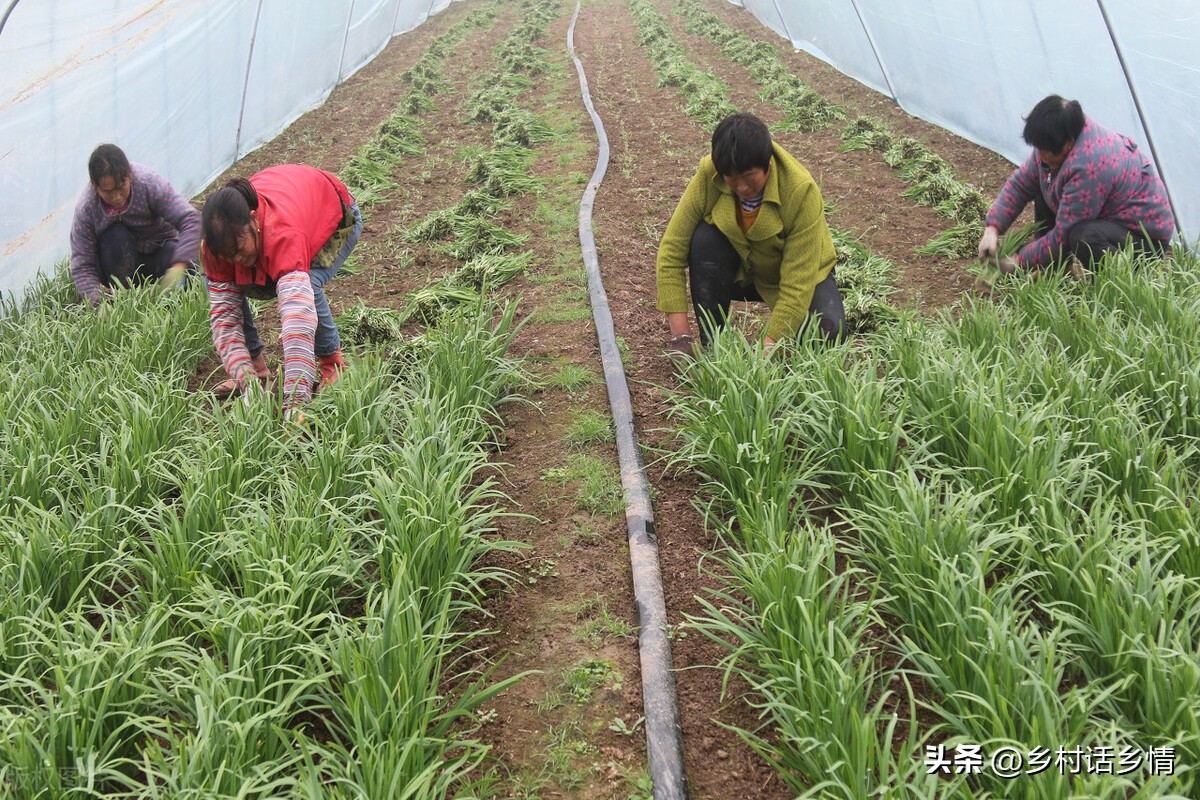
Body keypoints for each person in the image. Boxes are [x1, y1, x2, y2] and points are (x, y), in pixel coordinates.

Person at [656, 111, 845, 358]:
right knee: (705, 240)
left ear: (767, 164)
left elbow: (797, 283)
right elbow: (671, 251)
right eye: (732, 180)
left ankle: (792, 352)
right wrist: (680, 337)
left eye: (749, 177)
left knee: (829, 331)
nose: (742, 188)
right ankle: (713, 345)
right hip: (743, 271)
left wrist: (767, 351)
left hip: (796, 275)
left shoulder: (800, 190)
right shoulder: (710, 174)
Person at [200, 164, 361, 417]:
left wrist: (295, 402)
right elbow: (225, 319)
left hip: (336, 213)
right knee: (229, 288)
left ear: (254, 220)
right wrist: (245, 379)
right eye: (228, 255)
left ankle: (333, 364)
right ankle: (257, 372)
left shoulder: (284, 236)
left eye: (240, 248)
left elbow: (298, 323)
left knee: (308, 282)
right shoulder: (214, 247)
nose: (237, 259)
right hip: (291, 202)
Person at [978, 94, 1174, 274]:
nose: (1042, 157)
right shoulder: (1059, 135)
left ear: (1069, 143)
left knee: (1083, 236)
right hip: (1111, 221)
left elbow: (1062, 237)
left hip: (1143, 239)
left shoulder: (1091, 165)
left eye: (1047, 152)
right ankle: (1053, 270)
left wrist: (1019, 261)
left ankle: (1113, 285)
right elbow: (1022, 183)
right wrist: (993, 228)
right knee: (1044, 184)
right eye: (1039, 149)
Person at [69, 143, 199, 305]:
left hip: (156, 250)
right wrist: (97, 300)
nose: (117, 197)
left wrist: (180, 264)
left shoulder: (148, 184)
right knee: (115, 237)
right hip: (115, 264)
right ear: (95, 187)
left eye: (121, 187)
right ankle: (122, 300)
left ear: (130, 175)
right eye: (108, 192)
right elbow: (82, 265)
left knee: (182, 263)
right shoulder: (87, 208)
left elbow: (189, 219)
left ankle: (174, 302)